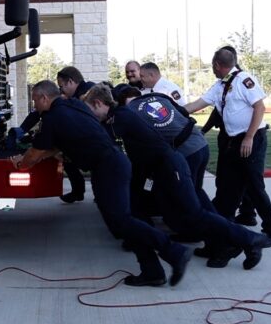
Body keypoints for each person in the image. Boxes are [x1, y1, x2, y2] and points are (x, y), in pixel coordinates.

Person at [11, 81, 191, 286]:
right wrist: (45, 155)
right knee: (121, 222)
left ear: (44, 98)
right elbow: (59, 145)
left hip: (108, 167)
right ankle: (152, 271)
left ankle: (174, 252)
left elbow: (34, 154)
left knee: (122, 221)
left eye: (35, 100)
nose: (34, 105)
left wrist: (21, 162)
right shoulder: (74, 106)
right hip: (113, 163)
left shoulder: (52, 118)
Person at [82, 85, 270, 269]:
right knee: (197, 203)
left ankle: (244, 240)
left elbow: (100, 141)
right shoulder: (156, 98)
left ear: (99, 103)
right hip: (197, 146)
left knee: (193, 211)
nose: (91, 116)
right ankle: (227, 243)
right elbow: (182, 113)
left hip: (179, 156)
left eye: (90, 110)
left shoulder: (122, 115)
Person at [184, 47, 271, 250]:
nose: (212, 69)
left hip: (250, 141)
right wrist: (170, 112)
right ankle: (223, 234)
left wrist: (249, 137)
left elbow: (260, 107)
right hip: (231, 142)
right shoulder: (220, 86)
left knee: (255, 187)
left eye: (213, 66)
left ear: (217, 65)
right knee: (227, 187)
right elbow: (196, 105)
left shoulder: (244, 80)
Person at [54, 66, 94, 203]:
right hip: (85, 137)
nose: (61, 91)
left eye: (61, 86)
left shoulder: (89, 91)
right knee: (67, 157)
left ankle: (99, 193)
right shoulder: (75, 95)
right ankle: (78, 191)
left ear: (71, 82)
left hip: (96, 140)